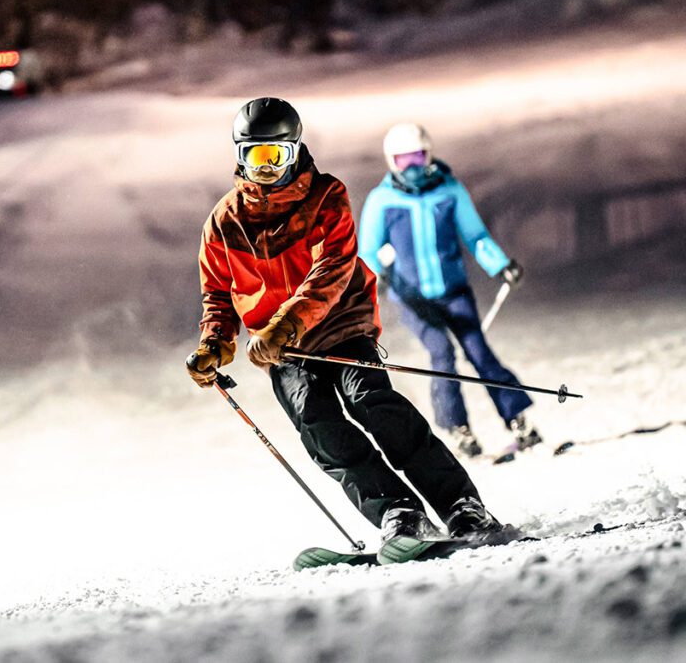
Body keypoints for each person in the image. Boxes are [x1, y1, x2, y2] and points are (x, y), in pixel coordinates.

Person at [185, 98, 501, 556]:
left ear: (295, 151)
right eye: (257, 155)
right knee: (321, 429)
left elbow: (332, 269)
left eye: (278, 155)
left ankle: (461, 504)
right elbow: (217, 291)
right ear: (240, 155)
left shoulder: (326, 196)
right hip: (284, 353)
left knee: (374, 404)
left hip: (340, 325)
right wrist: (215, 344)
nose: (268, 167)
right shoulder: (224, 221)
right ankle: (399, 512)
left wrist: (285, 324)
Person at [358, 123, 542, 458]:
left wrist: (501, 265)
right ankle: (458, 429)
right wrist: (376, 276)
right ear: (391, 162)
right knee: (441, 355)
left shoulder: (449, 190)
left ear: (428, 154)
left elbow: (475, 235)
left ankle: (518, 420)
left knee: (480, 353)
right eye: (402, 160)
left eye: (417, 156)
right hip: (412, 298)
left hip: (453, 291)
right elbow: (368, 251)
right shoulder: (382, 200)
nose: (411, 166)